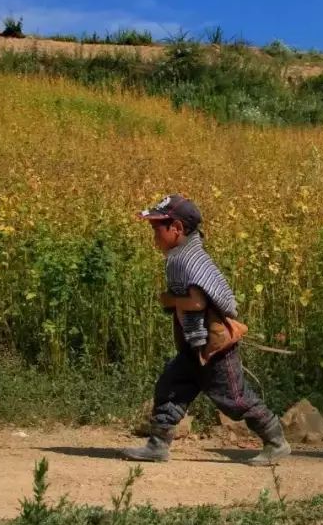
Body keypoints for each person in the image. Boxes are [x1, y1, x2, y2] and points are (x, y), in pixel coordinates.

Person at [121, 194, 291, 465]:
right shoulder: (186, 255)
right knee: (170, 388)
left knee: (235, 400)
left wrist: (170, 300)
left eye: (157, 229)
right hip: (194, 345)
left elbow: (197, 301)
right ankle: (157, 445)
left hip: (214, 351)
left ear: (176, 229)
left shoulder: (185, 260)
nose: (153, 235)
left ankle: (276, 441)